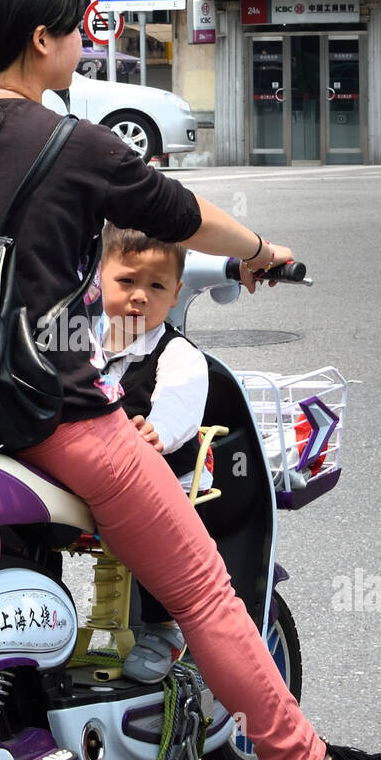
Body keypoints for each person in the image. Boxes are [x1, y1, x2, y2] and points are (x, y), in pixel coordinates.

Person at [0, 0, 381, 760]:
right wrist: (263, 248)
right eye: (76, 29)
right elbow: (178, 213)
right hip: (49, 416)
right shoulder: (72, 142)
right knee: (205, 586)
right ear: (41, 40)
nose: (83, 45)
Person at [97, 223, 211, 683]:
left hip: (165, 473)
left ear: (176, 292)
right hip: (97, 475)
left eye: (157, 286)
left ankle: (162, 628)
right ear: (98, 276)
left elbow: (179, 405)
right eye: (126, 281)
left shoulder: (178, 353)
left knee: (154, 524)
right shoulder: (81, 343)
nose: (140, 296)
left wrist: (157, 431)